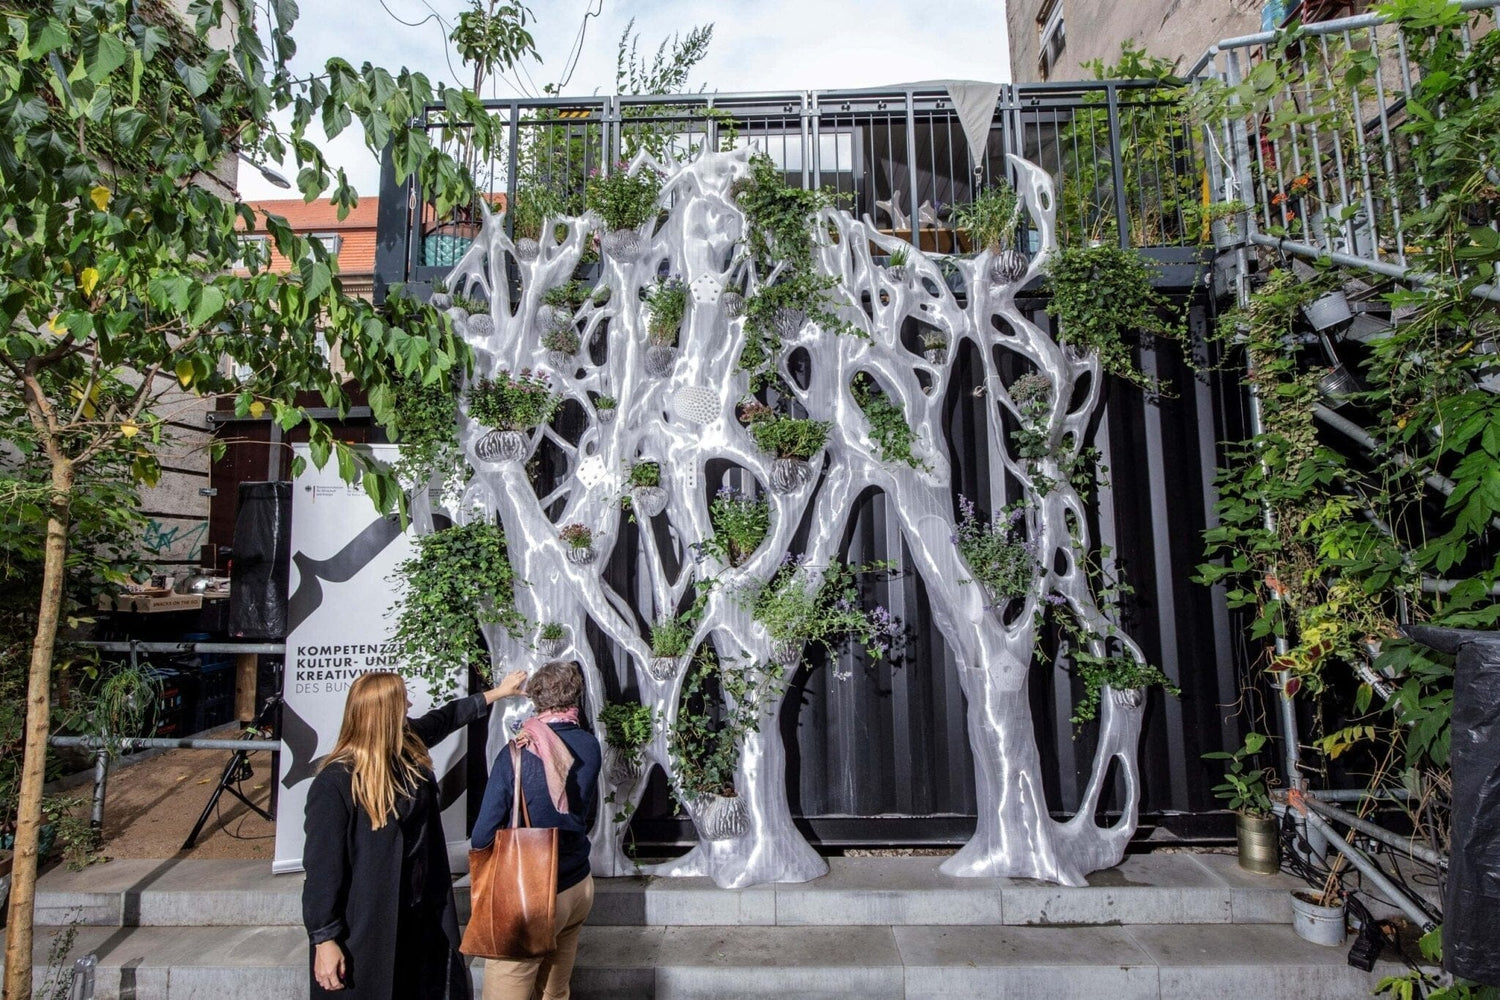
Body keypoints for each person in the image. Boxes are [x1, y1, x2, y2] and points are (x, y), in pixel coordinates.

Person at [303, 668, 527, 1000]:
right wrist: (324, 939)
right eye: (403, 700)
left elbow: (447, 717)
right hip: (366, 926)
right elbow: (322, 870)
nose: (409, 704)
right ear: (387, 713)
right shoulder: (335, 783)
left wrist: (499, 692)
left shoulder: (406, 748)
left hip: (419, 915)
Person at [472, 659, 601, 1000]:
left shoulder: (518, 753)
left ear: (535, 699)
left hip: (531, 893)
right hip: (578, 885)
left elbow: (482, 835)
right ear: (574, 695)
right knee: (554, 994)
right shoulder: (589, 744)